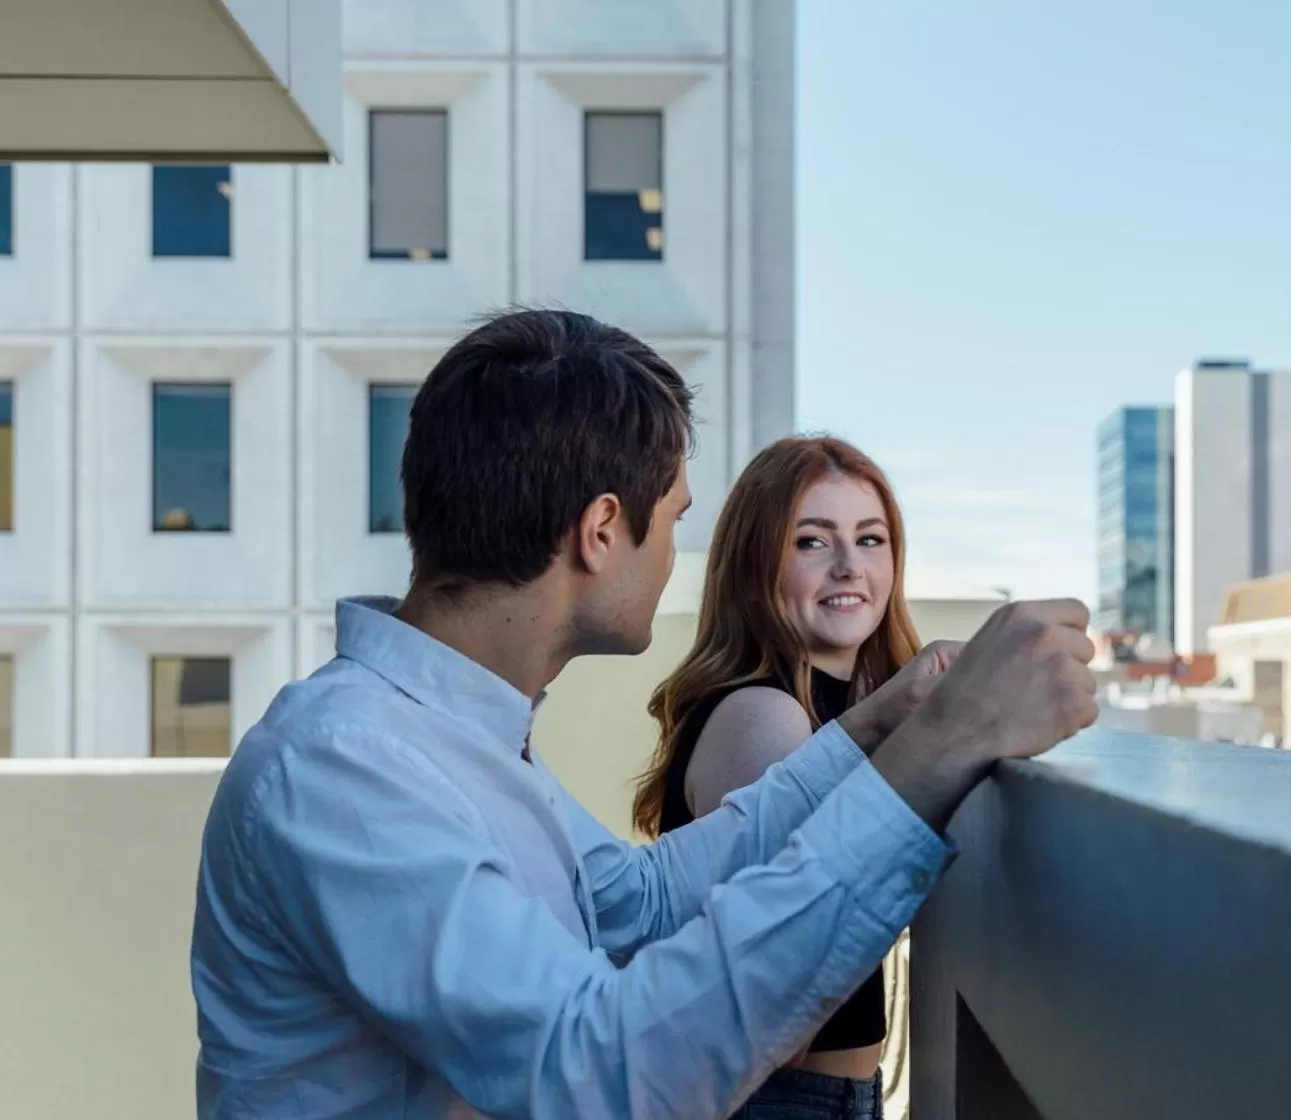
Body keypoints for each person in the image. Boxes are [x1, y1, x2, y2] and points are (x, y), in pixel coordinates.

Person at [189, 308, 1098, 1120]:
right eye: (672, 520)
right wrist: (937, 754)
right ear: (600, 530)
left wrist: (874, 730)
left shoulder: (450, 736)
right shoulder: (346, 766)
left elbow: (637, 901)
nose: (674, 557)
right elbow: (596, 1073)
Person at [634, 436, 918, 1118]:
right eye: (813, 542)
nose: (850, 566)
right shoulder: (765, 715)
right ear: (755, 564)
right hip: (786, 1100)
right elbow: (777, 989)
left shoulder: (838, 712)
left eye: (871, 539)